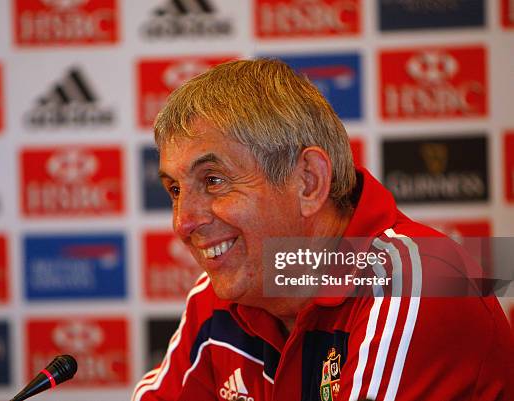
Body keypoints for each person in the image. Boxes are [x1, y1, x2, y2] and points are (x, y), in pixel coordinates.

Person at [132, 59, 513, 401]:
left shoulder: (422, 283)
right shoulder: (217, 298)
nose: (183, 222)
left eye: (213, 181)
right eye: (175, 190)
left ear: (309, 182)